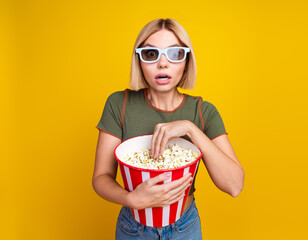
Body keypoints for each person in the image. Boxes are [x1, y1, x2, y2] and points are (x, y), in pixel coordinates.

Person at [92, 18, 245, 240]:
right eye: (151, 54)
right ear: (139, 61)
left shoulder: (203, 112)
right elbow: (101, 177)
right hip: (133, 228)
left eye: (174, 54)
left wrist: (190, 129)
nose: (163, 64)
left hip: (185, 227)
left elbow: (234, 186)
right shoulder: (119, 104)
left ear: (186, 61)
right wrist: (131, 199)